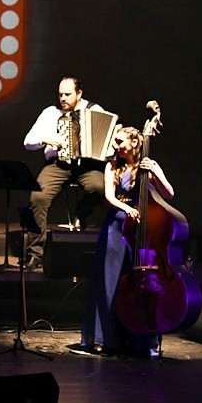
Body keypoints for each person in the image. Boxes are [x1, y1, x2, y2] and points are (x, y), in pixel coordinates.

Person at [72, 126, 175, 358]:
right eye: (115, 141)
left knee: (139, 283)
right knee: (108, 281)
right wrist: (127, 208)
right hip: (117, 226)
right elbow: (109, 196)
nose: (115, 146)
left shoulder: (149, 165)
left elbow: (169, 194)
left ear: (135, 142)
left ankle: (139, 337)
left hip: (141, 229)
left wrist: (155, 173)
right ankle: (105, 338)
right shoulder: (112, 166)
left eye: (120, 141)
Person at [21, 77, 107, 269]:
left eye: (67, 94)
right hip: (58, 164)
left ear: (79, 93)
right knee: (37, 197)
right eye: (60, 94)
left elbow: (106, 136)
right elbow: (28, 142)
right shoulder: (50, 113)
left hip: (87, 165)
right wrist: (46, 139)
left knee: (100, 187)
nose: (63, 98)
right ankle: (35, 253)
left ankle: (81, 212)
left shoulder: (94, 110)